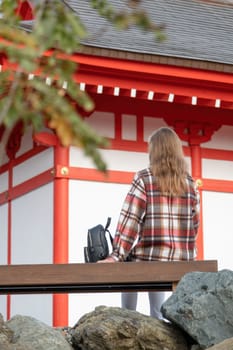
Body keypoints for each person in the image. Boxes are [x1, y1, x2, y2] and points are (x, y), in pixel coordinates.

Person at [98, 126, 200, 319]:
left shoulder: (144, 178)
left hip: (151, 258)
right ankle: (158, 318)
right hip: (182, 259)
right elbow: (195, 225)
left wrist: (116, 255)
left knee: (132, 261)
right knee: (158, 265)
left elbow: (130, 220)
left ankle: (128, 317)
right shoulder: (191, 184)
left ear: (155, 151)